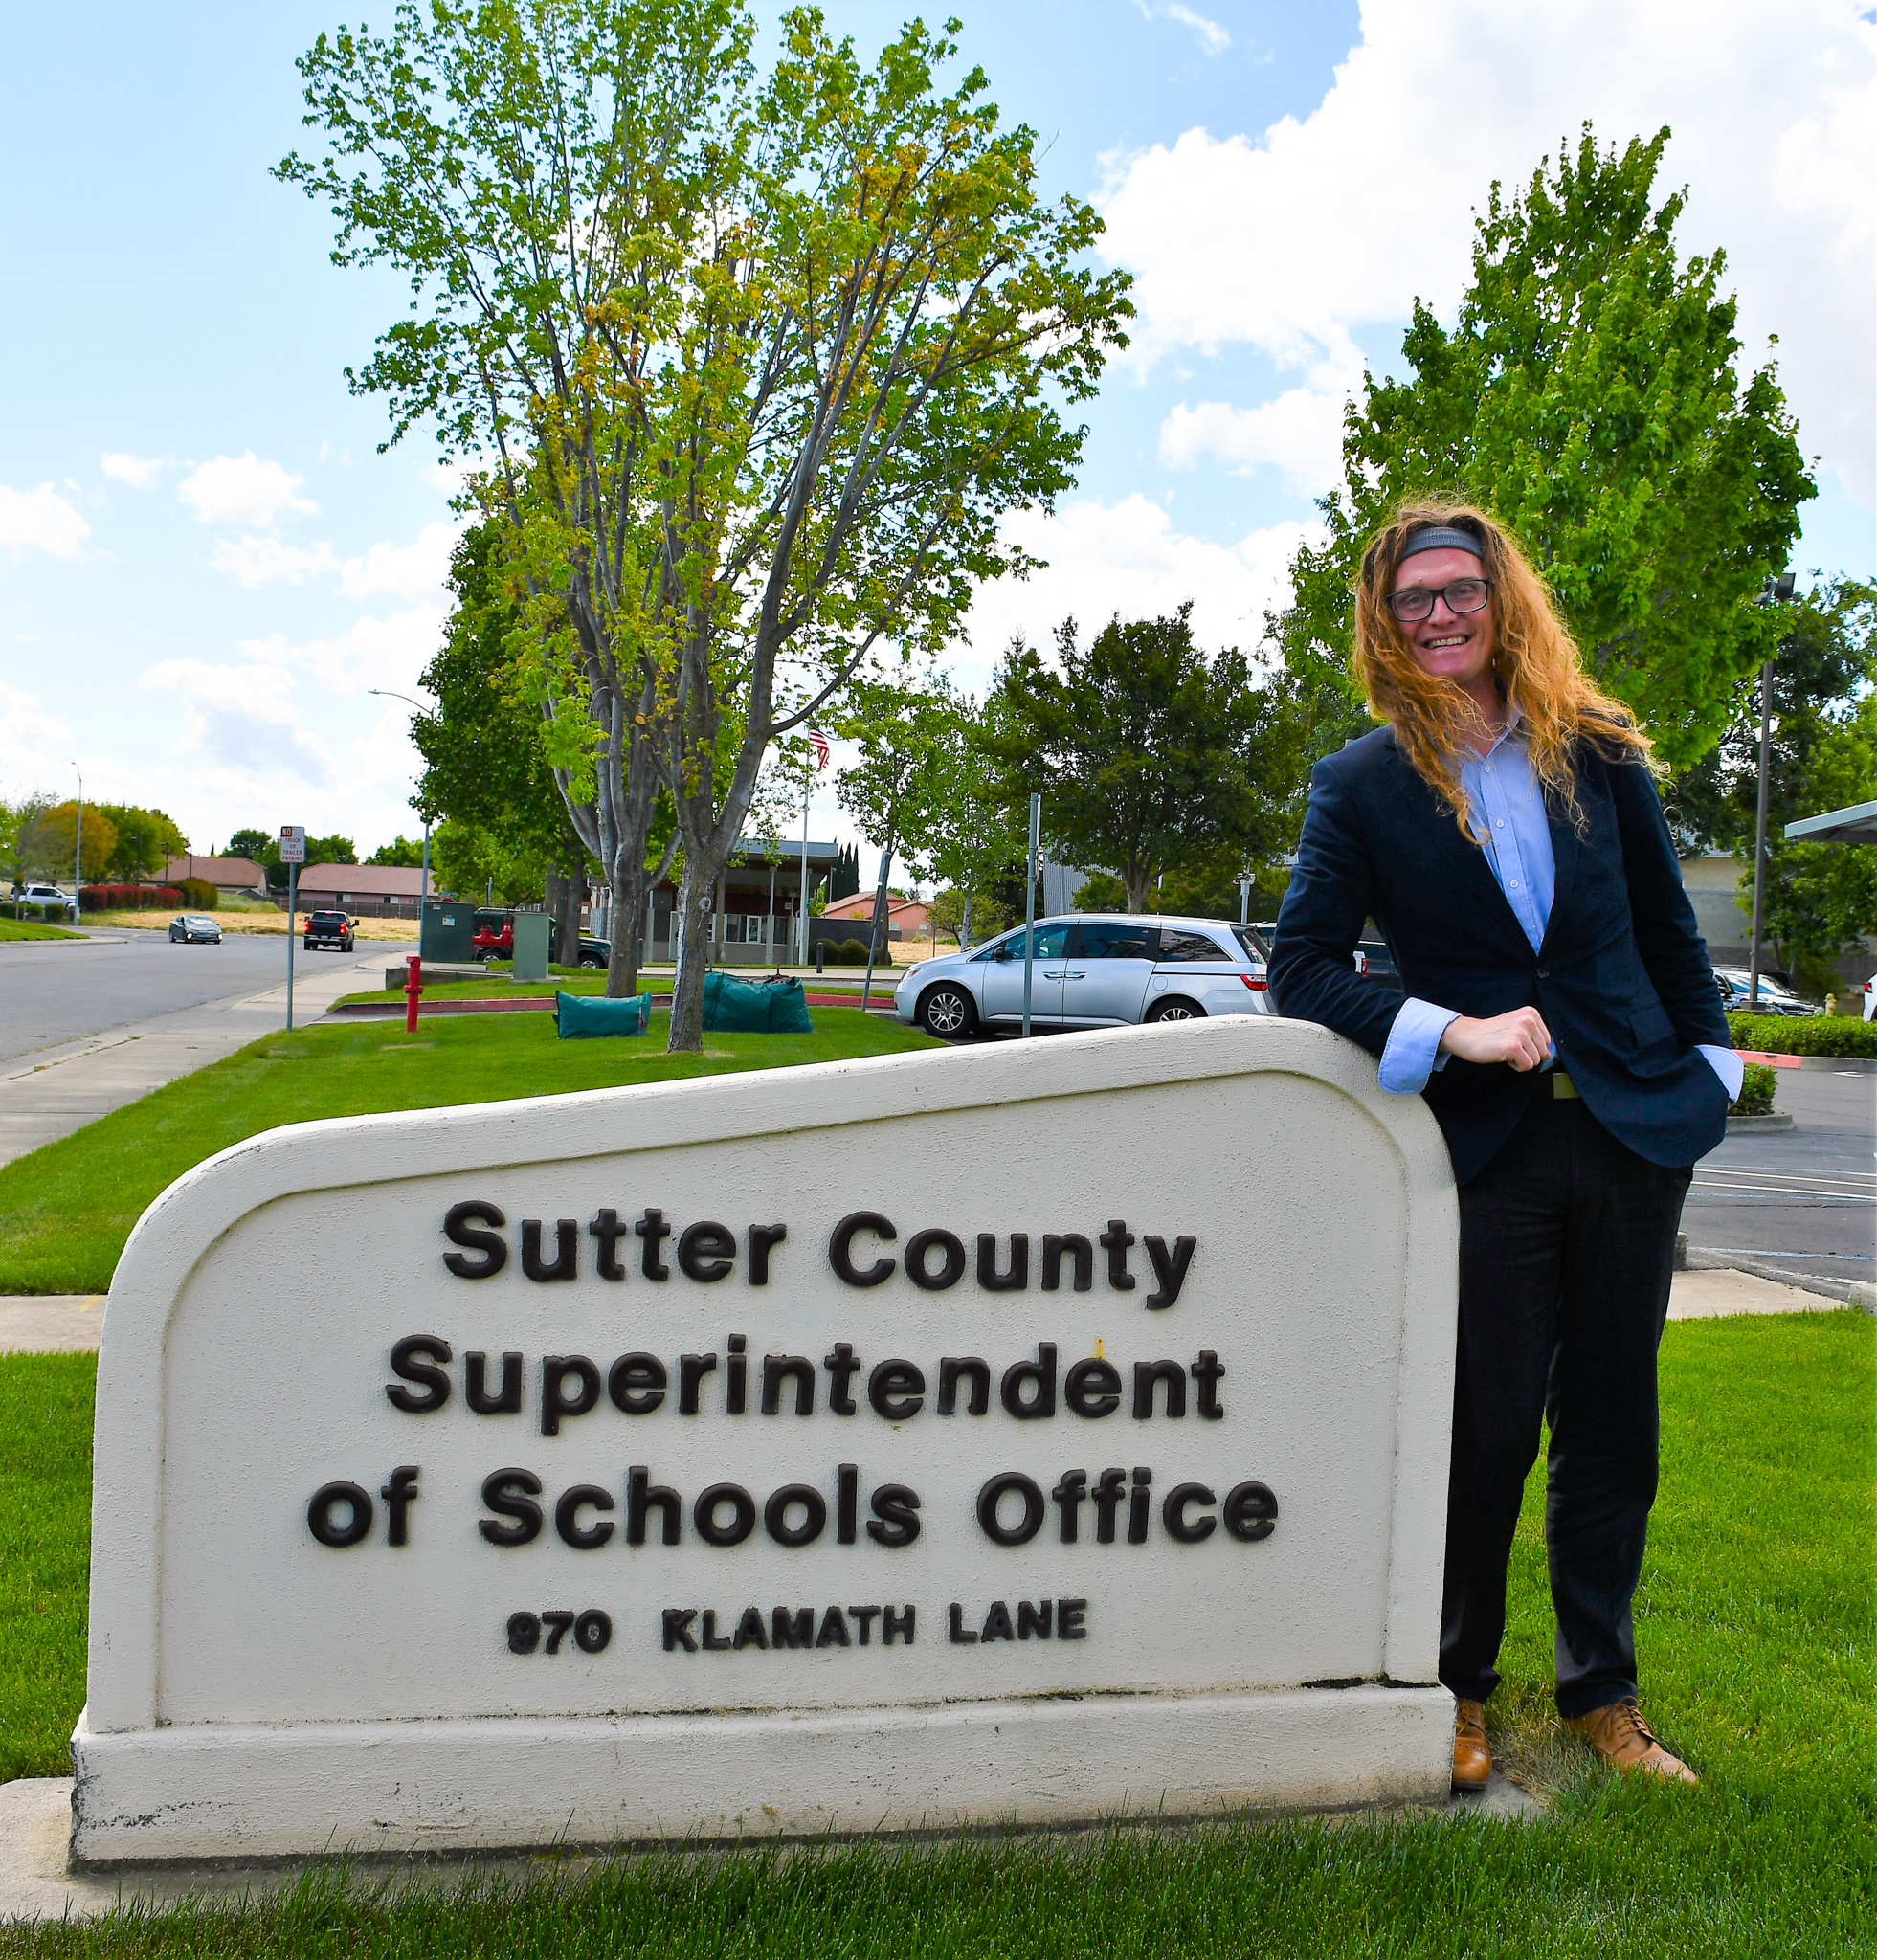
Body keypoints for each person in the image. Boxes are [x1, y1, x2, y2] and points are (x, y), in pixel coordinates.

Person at [1268, 502, 1739, 1793]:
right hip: (1487, 1152)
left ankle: (1604, 1695)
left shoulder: (1593, 752)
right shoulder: (1361, 782)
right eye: (1408, 598)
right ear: (1382, 617)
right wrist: (1449, 1030)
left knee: (1613, 1428)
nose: (1433, 615)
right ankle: (1455, 1688)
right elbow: (1299, 968)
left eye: (1454, 592)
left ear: (1498, 600)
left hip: (1634, 1135)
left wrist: (1710, 1071)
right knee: (1482, 1437)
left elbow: (1665, 934)